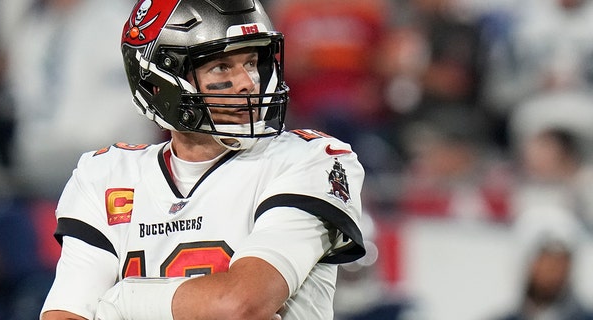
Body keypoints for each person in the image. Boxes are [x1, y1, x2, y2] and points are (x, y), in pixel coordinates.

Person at [40, 0, 366, 319]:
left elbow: (240, 303)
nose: (246, 83)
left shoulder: (311, 159)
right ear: (158, 82)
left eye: (251, 62)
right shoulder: (105, 175)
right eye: (222, 66)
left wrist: (119, 303)